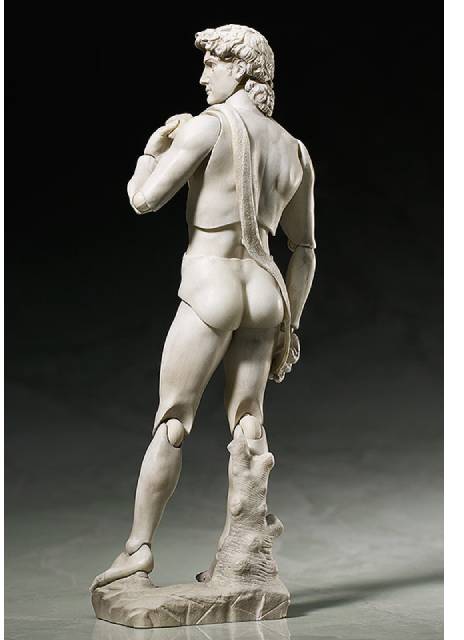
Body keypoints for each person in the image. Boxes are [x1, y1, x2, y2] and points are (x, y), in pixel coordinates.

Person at [90, 24, 316, 591]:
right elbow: (304, 249)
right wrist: (291, 325)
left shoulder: (208, 127)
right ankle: (243, 555)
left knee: (173, 420)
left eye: (211, 63)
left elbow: (143, 200)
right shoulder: (294, 149)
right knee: (249, 422)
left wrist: (153, 149)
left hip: (212, 285)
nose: (202, 76)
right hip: (266, 294)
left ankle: (138, 549)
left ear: (240, 69)